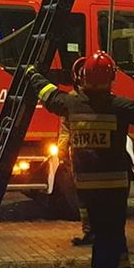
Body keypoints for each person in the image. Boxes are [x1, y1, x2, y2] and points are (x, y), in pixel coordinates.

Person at [27, 51, 134, 268]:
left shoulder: (70, 104)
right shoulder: (118, 106)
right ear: (111, 78)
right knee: (108, 239)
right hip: (115, 188)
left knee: (113, 235)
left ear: (83, 77)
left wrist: (31, 74)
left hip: (86, 188)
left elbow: (48, 94)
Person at [57, 88, 94, 246]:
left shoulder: (71, 101)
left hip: (82, 157)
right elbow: (66, 128)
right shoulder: (107, 100)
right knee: (84, 199)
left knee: (85, 199)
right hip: (85, 157)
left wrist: (63, 150)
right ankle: (91, 232)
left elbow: (65, 129)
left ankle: (93, 232)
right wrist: (62, 150)